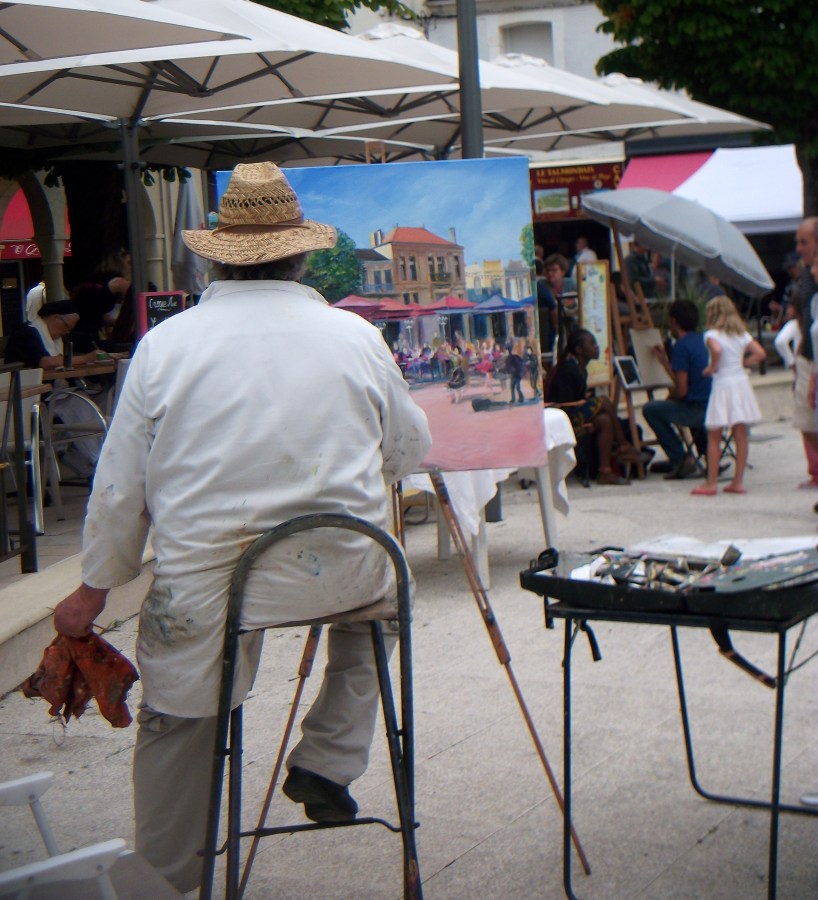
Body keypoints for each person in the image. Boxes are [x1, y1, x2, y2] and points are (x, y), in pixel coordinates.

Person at [52, 161, 432, 894]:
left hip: (213, 583)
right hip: (343, 566)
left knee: (180, 716)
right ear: (300, 257)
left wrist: (93, 591)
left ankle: (166, 880)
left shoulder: (167, 345)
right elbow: (408, 451)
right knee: (387, 608)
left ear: (215, 258)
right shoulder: (354, 334)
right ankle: (327, 757)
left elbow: (120, 488)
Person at [545, 328, 644, 486]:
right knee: (604, 401)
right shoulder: (568, 369)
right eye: (592, 344)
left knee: (604, 420)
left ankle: (604, 472)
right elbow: (565, 403)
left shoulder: (579, 368)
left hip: (574, 415)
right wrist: (585, 402)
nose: (596, 347)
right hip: (564, 419)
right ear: (579, 349)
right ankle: (624, 446)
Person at [691, 296, 765, 496]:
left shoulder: (711, 334)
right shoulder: (742, 334)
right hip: (740, 383)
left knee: (714, 435)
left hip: (723, 384)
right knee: (740, 434)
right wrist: (743, 363)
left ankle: (711, 482)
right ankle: (738, 481)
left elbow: (716, 349)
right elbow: (760, 353)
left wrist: (712, 366)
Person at [642, 300, 712, 480]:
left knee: (650, 410)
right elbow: (684, 379)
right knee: (669, 407)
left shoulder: (681, 346)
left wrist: (669, 399)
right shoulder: (700, 340)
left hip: (696, 410)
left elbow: (681, 390)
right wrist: (665, 363)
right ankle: (707, 454)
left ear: (674, 322)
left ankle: (680, 458)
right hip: (710, 406)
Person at [792, 218, 818, 488]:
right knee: (805, 422)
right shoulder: (808, 275)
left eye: (804, 242)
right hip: (808, 356)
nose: (799, 249)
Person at [4, 300, 97, 371]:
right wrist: (86, 358)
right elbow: (45, 362)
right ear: (55, 318)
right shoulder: (27, 332)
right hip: (26, 387)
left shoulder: (57, 339)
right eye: (66, 326)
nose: (67, 332)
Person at [69, 249, 131, 353]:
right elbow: (132, 307)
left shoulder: (92, 279)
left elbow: (92, 312)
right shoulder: (120, 283)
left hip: (75, 330)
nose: (131, 267)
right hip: (89, 333)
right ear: (119, 263)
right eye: (129, 263)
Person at [505, 338, 525, 403]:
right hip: (517, 374)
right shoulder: (514, 357)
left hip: (516, 374)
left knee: (513, 387)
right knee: (516, 387)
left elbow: (508, 367)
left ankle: (516, 399)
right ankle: (520, 398)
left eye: (506, 351)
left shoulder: (510, 358)